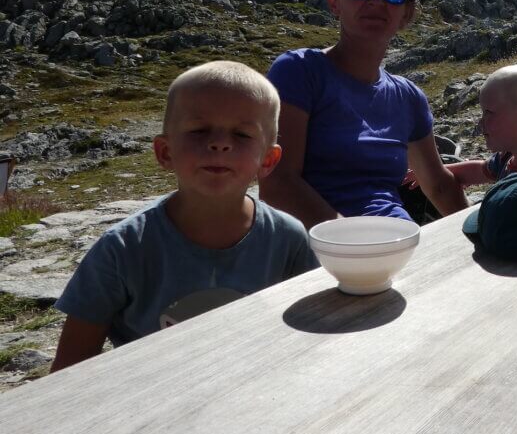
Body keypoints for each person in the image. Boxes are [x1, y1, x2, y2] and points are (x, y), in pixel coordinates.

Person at [51, 61, 318, 372]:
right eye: (199, 130)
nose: (220, 143)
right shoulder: (121, 249)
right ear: (165, 152)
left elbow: (309, 337)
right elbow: (70, 368)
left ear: (268, 160)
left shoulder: (288, 238)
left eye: (242, 134)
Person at [262, 0, 466, 227]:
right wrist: (353, 242)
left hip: (395, 243)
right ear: (335, 1)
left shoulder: (408, 97)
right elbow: (278, 183)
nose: (376, 0)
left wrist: (483, 232)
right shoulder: (299, 71)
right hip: (317, 252)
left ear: (407, 12)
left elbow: (438, 185)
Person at [409, 63, 517, 189]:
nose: (481, 122)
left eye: (489, 112)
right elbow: (480, 170)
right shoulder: (508, 156)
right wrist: (435, 172)